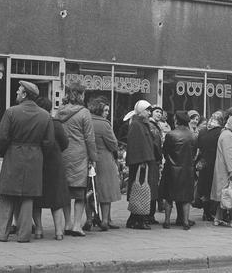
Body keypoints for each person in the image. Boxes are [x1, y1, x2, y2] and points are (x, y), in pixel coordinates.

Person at [0, 81, 53, 242]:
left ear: (25, 94)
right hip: (35, 157)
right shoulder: (45, 115)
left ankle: (1, 233)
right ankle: (24, 234)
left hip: (14, 154)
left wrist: (6, 149)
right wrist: (39, 152)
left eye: (18, 92)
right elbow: (49, 142)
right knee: (28, 197)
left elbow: (2, 136)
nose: (16, 94)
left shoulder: (11, 112)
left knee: (7, 195)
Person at [57, 80, 97, 237]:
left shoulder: (60, 111)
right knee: (80, 193)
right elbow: (89, 138)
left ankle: (66, 223)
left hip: (63, 155)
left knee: (66, 191)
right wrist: (93, 158)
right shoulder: (84, 113)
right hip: (80, 156)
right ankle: (76, 226)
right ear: (80, 94)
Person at [32, 96, 69, 241]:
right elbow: (65, 143)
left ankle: (39, 230)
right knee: (56, 198)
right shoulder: (56, 123)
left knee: (37, 198)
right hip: (55, 162)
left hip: (38, 161)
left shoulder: (35, 122)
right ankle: (59, 232)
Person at [84, 97, 122, 230]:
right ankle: (105, 220)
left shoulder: (86, 120)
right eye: (105, 110)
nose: (107, 113)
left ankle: (89, 220)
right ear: (99, 110)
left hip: (88, 159)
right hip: (104, 159)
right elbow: (113, 144)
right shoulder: (104, 124)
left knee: (90, 190)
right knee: (105, 191)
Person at [124, 99, 158, 230]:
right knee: (140, 189)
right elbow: (136, 145)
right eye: (147, 110)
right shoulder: (137, 125)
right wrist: (142, 161)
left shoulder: (141, 124)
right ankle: (138, 218)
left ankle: (135, 218)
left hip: (144, 161)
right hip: (141, 163)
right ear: (140, 111)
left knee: (140, 190)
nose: (149, 113)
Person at [160, 111, 195, 230]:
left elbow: (165, 151)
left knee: (169, 196)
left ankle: (167, 221)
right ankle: (185, 221)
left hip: (172, 169)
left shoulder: (171, 135)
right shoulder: (192, 135)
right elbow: (195, 152)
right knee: (186, 197)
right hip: (187, 169)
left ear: (176, 120)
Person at [195, 111, 224, 222]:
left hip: (204, 163)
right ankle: (212, 212)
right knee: (214, 188)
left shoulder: (202, 131)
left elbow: (198, 147)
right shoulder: (221, 132)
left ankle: (205, 212)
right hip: (216, 163)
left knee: (205, 188)